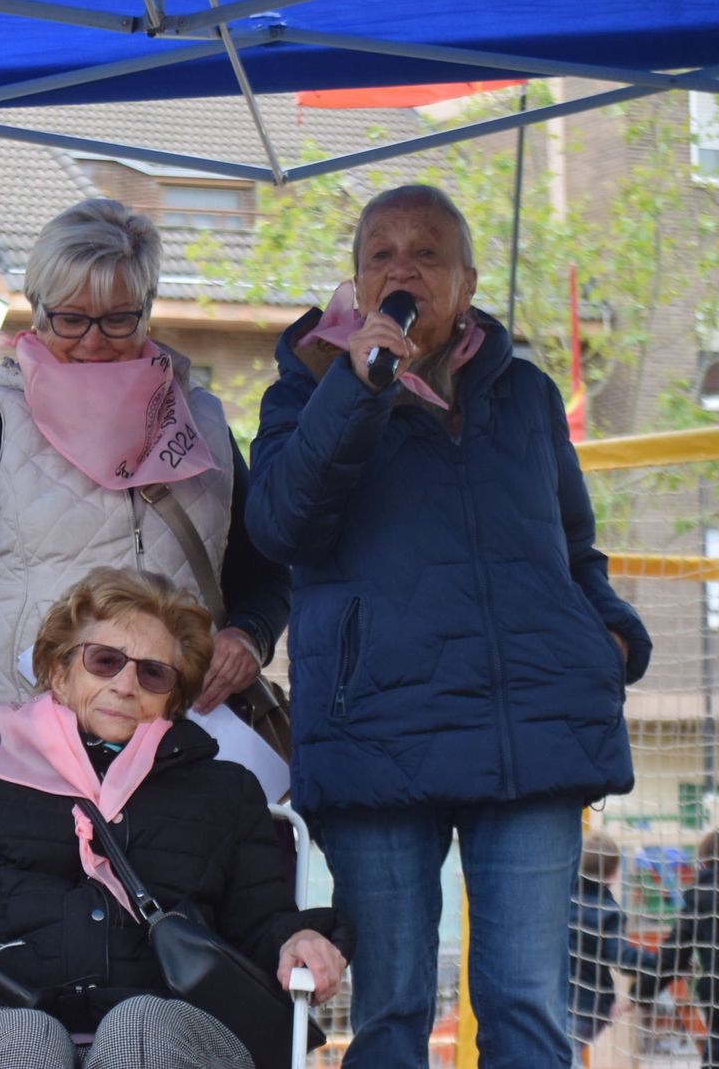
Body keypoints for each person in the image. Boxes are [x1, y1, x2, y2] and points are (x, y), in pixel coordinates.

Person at [246, 183, 651, 1068]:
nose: (403, 270)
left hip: (529, 730)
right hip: (377, 731)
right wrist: (354, 392)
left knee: (527, 1013)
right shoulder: (307, 389)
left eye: (425, 254)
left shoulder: (528, 398)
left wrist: (609, 634)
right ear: (355, 283)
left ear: (465, 283)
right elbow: (279, 527)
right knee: (390, 1011)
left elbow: (574, 549)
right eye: (381, 255)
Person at [0, 197, 291, 826]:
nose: (92, 343)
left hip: (170, 766)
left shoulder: (201, 425)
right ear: (36, 314)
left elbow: (266, 566)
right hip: (15, 766)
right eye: (69, 320)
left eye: (117, 321)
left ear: (148, 312)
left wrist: (248, 634)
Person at [0, 566, 346, 1068]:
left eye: (152, 673)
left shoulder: (224, 791)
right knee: (22, 1043)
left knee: (139, 1031)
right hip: (3, 1011)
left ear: (173, 699)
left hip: (177, 1024)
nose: (124, 684)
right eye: (105, 661)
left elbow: (263, 922)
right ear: (58, 672)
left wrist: (300, 939)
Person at [569, 831, 657, 1060]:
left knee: (565, 1055)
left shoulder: (562, 901)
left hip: (571, 1003)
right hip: (592, 1006)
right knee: (565, 1054)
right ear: (614, 873)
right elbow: (621, 957)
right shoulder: (608, 911)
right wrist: (657, 961)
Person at [638, 829, 719, 1068]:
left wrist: (640, 992)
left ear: (702, 864)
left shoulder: (698, 896)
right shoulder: (690, 893)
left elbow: (672, 955)